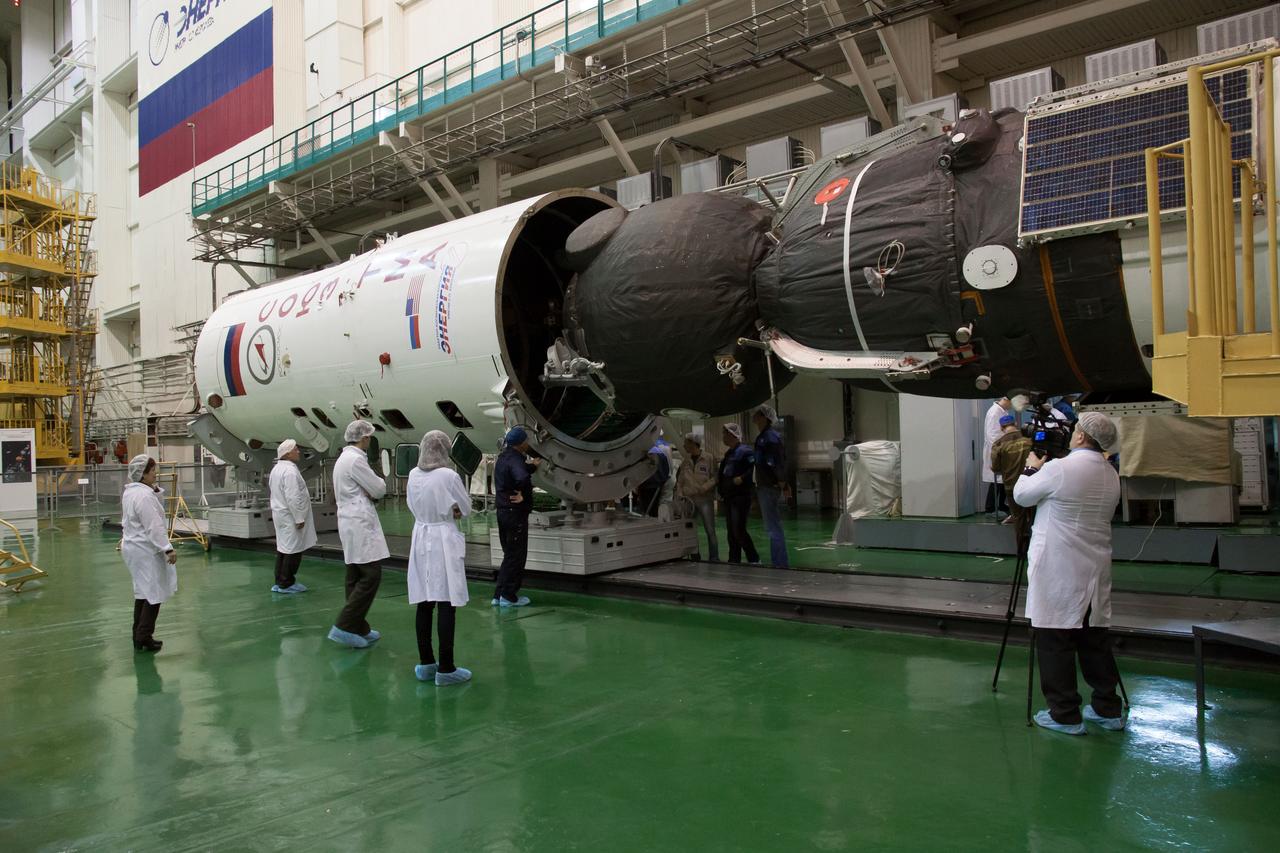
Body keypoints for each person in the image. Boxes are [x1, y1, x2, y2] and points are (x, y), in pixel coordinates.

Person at [1014, 411, 1125, 736]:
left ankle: (1064, 713)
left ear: (1079, 436)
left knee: (1055, 639)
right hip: (1095, 566)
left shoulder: (1059, 469)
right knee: (1094, 639)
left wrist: (1031, 466)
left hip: (1060, 567)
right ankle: (1108, 708)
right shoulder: (1110, 474)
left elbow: (1022, 495)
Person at [407, 431, 474, 686]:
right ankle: (446, 668)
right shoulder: (449, 475)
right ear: (445, 450)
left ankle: (426, 663)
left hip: (420, 535)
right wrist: (453, 508)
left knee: (424, 602)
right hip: (442, 538)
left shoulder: (413, 474)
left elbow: (413, 504)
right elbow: (465, 507)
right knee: (446, 601)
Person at [328, 420, 389, 649]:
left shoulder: (343, 459)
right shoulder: (355, 460)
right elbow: (379, 489)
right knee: (370, 574)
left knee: (354, 573)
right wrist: (377, 485)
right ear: (364, 438)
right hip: (359, 522)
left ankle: (358, 627)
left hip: (349, 520)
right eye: (369, 437)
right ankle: (344, 626)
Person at [120, 455, 177, 652]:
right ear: (143, 474)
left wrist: (154, 489)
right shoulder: (143, 496)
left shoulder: (132, 492)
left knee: (143, 593)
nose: (156, 474)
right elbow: (153, 525)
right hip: (145, 550)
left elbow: (152, 504)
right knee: (153, 594)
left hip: (135, 549)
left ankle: (138, 635)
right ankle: (144, 636)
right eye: (152, 471)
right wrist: (167, 548)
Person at [493, 426, 540, 607]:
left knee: (509, 554)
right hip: (515, 514)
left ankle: (498, 594)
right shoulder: (516, 460)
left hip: (502, 511)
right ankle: (509, 596)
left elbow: (516, 472)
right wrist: (524, 496)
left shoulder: (504, 457)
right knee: (516, 555)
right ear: (521, 443)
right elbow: (521, 477)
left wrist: (532, 466)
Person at [268, 439, 316, 594]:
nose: (299, 451)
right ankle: (286, 583)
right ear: (287, 453)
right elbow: (293, 497)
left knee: (283, 548)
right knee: (293, 550)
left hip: (280, 514)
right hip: (290, 516)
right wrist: (299, 518)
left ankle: (279, 581)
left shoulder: (277, 469)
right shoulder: (289, 471)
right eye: (296, 449)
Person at [752, 404, 789, 568]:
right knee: (771, 526)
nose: (754, 418)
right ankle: (778, 562)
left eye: (757, 415)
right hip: (764, 485)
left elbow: (777, 462)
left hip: (769, 486)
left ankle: (780, 564)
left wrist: (782, 482)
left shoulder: (770, 438)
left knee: (773, 527)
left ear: (764, 418)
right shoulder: (762, 437)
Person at [718, 423, 759, 564]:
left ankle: (753, 558)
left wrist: (742, 478)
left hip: (740, 497)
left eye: (725, 434)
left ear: (732, 435)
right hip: (729, 496)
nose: (723, 437)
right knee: (731, 532)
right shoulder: (728, 454)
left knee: (739, 530)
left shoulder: (745, 451)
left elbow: (753, 468)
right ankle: (734, 559)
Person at [676, 432, 718, 561]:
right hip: (689, 501)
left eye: (686, 443)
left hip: (705, 500)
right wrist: (680, 494)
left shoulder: (709, 458)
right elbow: (680, 481)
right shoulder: (686, 461)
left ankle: (714, 557)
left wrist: (705, 487)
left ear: (694, 444)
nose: (684, 445)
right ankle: (695, 555)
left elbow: (716, 477)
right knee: (690, 530)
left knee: (710, 529)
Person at [989, 415, 1033, 530]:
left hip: (1012, 485)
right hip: (1032, 483)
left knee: (1018, 518)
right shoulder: (1029, 439)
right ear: (1016, 424)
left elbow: (996, 467)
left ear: (1001, 427)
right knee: (1034, 517)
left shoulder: (998, 444)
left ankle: (1022, 545)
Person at [981, 396, 1013, 515]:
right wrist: (1001, 449)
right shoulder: (995, 412)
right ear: (1006, 399)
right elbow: (992, 435)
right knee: (996, 480)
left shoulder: (1002, 411)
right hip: (997, 450)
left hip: (1002, 449)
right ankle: (990, 507)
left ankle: (1000, 505)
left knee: (1001, 480)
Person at [635, 437, 672, 518]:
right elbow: (667, 470)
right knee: (655, 510)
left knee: (648, 511)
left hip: (647, 486)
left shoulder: (643, 455)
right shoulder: (660, 453)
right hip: (658, 485)